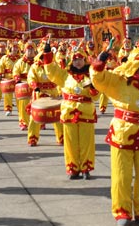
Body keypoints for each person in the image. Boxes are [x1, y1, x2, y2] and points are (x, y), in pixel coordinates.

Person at [90, 38, 139, 226]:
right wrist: (102, 57)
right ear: (137, 62)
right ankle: (122, 212)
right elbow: (98, 78)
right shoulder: (119, 79)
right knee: (121, 175)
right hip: (122, 133)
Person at [42, 41, 99, 179]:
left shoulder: (91, 75)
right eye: (75, 59)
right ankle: (73, 168)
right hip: (69, 112)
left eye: (80, 59)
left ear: (85, 60)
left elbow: (96, 96)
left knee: (86, 142)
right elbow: (51, 71)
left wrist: (93, 88)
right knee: (70, 142)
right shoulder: (65, 75)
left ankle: (86, 168)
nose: (78, 62)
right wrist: (48, 53)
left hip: (86, 112)